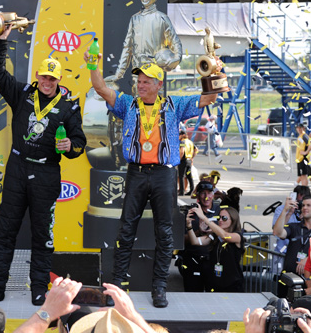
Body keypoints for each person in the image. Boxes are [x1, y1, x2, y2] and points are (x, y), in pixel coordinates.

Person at [87, 55, 216, 308]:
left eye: (147, 81)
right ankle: (117, 288)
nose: (141, 85)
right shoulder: (128, 103)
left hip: (164, 174)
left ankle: (159, 288)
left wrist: (212, 72)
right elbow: (101, 88)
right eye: (139, 81)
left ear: (159, 84)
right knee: (126, 231)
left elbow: (209, 98)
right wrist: (93, 65)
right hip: (136, 173)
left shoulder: (174, 104)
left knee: (165, 233)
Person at [0, 25, 86, 306]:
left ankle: (39, 288)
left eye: (52, 78)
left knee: (42, 235)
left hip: (47, 173)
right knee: (4, 231)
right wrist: (1, 41)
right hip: (18, 168)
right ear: (37, 75)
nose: (47, 82)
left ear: (59, 79)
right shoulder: (23, 94)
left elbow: (79, 142)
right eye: (44, 76)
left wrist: (70, 146)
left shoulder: (69, 107)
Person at [114, 0, 182, 81]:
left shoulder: (162, 18)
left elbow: (175, 42)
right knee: (138, 91)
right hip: (137, 73)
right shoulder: (134, 19)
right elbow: (127, 47)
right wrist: (119, 73)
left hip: (154, 73)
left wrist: (176, 58)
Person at [176, 181, 221, 292]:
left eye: (209, 193)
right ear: (197, 195)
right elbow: (179, 239)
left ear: (213, 194)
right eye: (203, 193)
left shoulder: (220, 211)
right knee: (193, 294)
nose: (206, 197)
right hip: (192, 260)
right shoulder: (188, 212)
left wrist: (213, 231)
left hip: (213, 261)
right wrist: (197, 232)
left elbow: (227, 233)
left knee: (214, 296)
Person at [188, 205, 245, 292]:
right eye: (219, 218)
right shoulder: (215, 236)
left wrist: (204, 218)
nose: (220, 220)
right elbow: (195, 241)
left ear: (233, 220)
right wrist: (189, 226)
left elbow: (225, 236)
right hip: (215, 283)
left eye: (224, 218)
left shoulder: (237, 236)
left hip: (232, 284)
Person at [273, 194, 311, 277]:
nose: (305, 208)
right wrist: (285, 211)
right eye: (303, 205)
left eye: (308, 205)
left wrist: (309, 259)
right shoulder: (294, 226)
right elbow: (277, 232)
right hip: (289, 277)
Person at [271, 185, 311, 274]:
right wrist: (289, 213)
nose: (301, 204)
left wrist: (305, 217)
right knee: (280, 277)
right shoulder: (281, 209)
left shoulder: (308, 211)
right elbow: (276, 230)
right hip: (282, 251)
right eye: (299, 201)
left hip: (301, 254)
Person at [178, 130, 197, 197]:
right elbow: (196, 149)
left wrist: (179, 159)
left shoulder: (182, 142)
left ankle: (182, 191)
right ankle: (192, 190)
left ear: (182, 135)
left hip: (183, 160)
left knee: (181, 176)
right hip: (189, 160)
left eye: (179, 135)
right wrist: (192, 157)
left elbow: (182, 151)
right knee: (189, 175)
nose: (178, 136)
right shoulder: (190, 142)